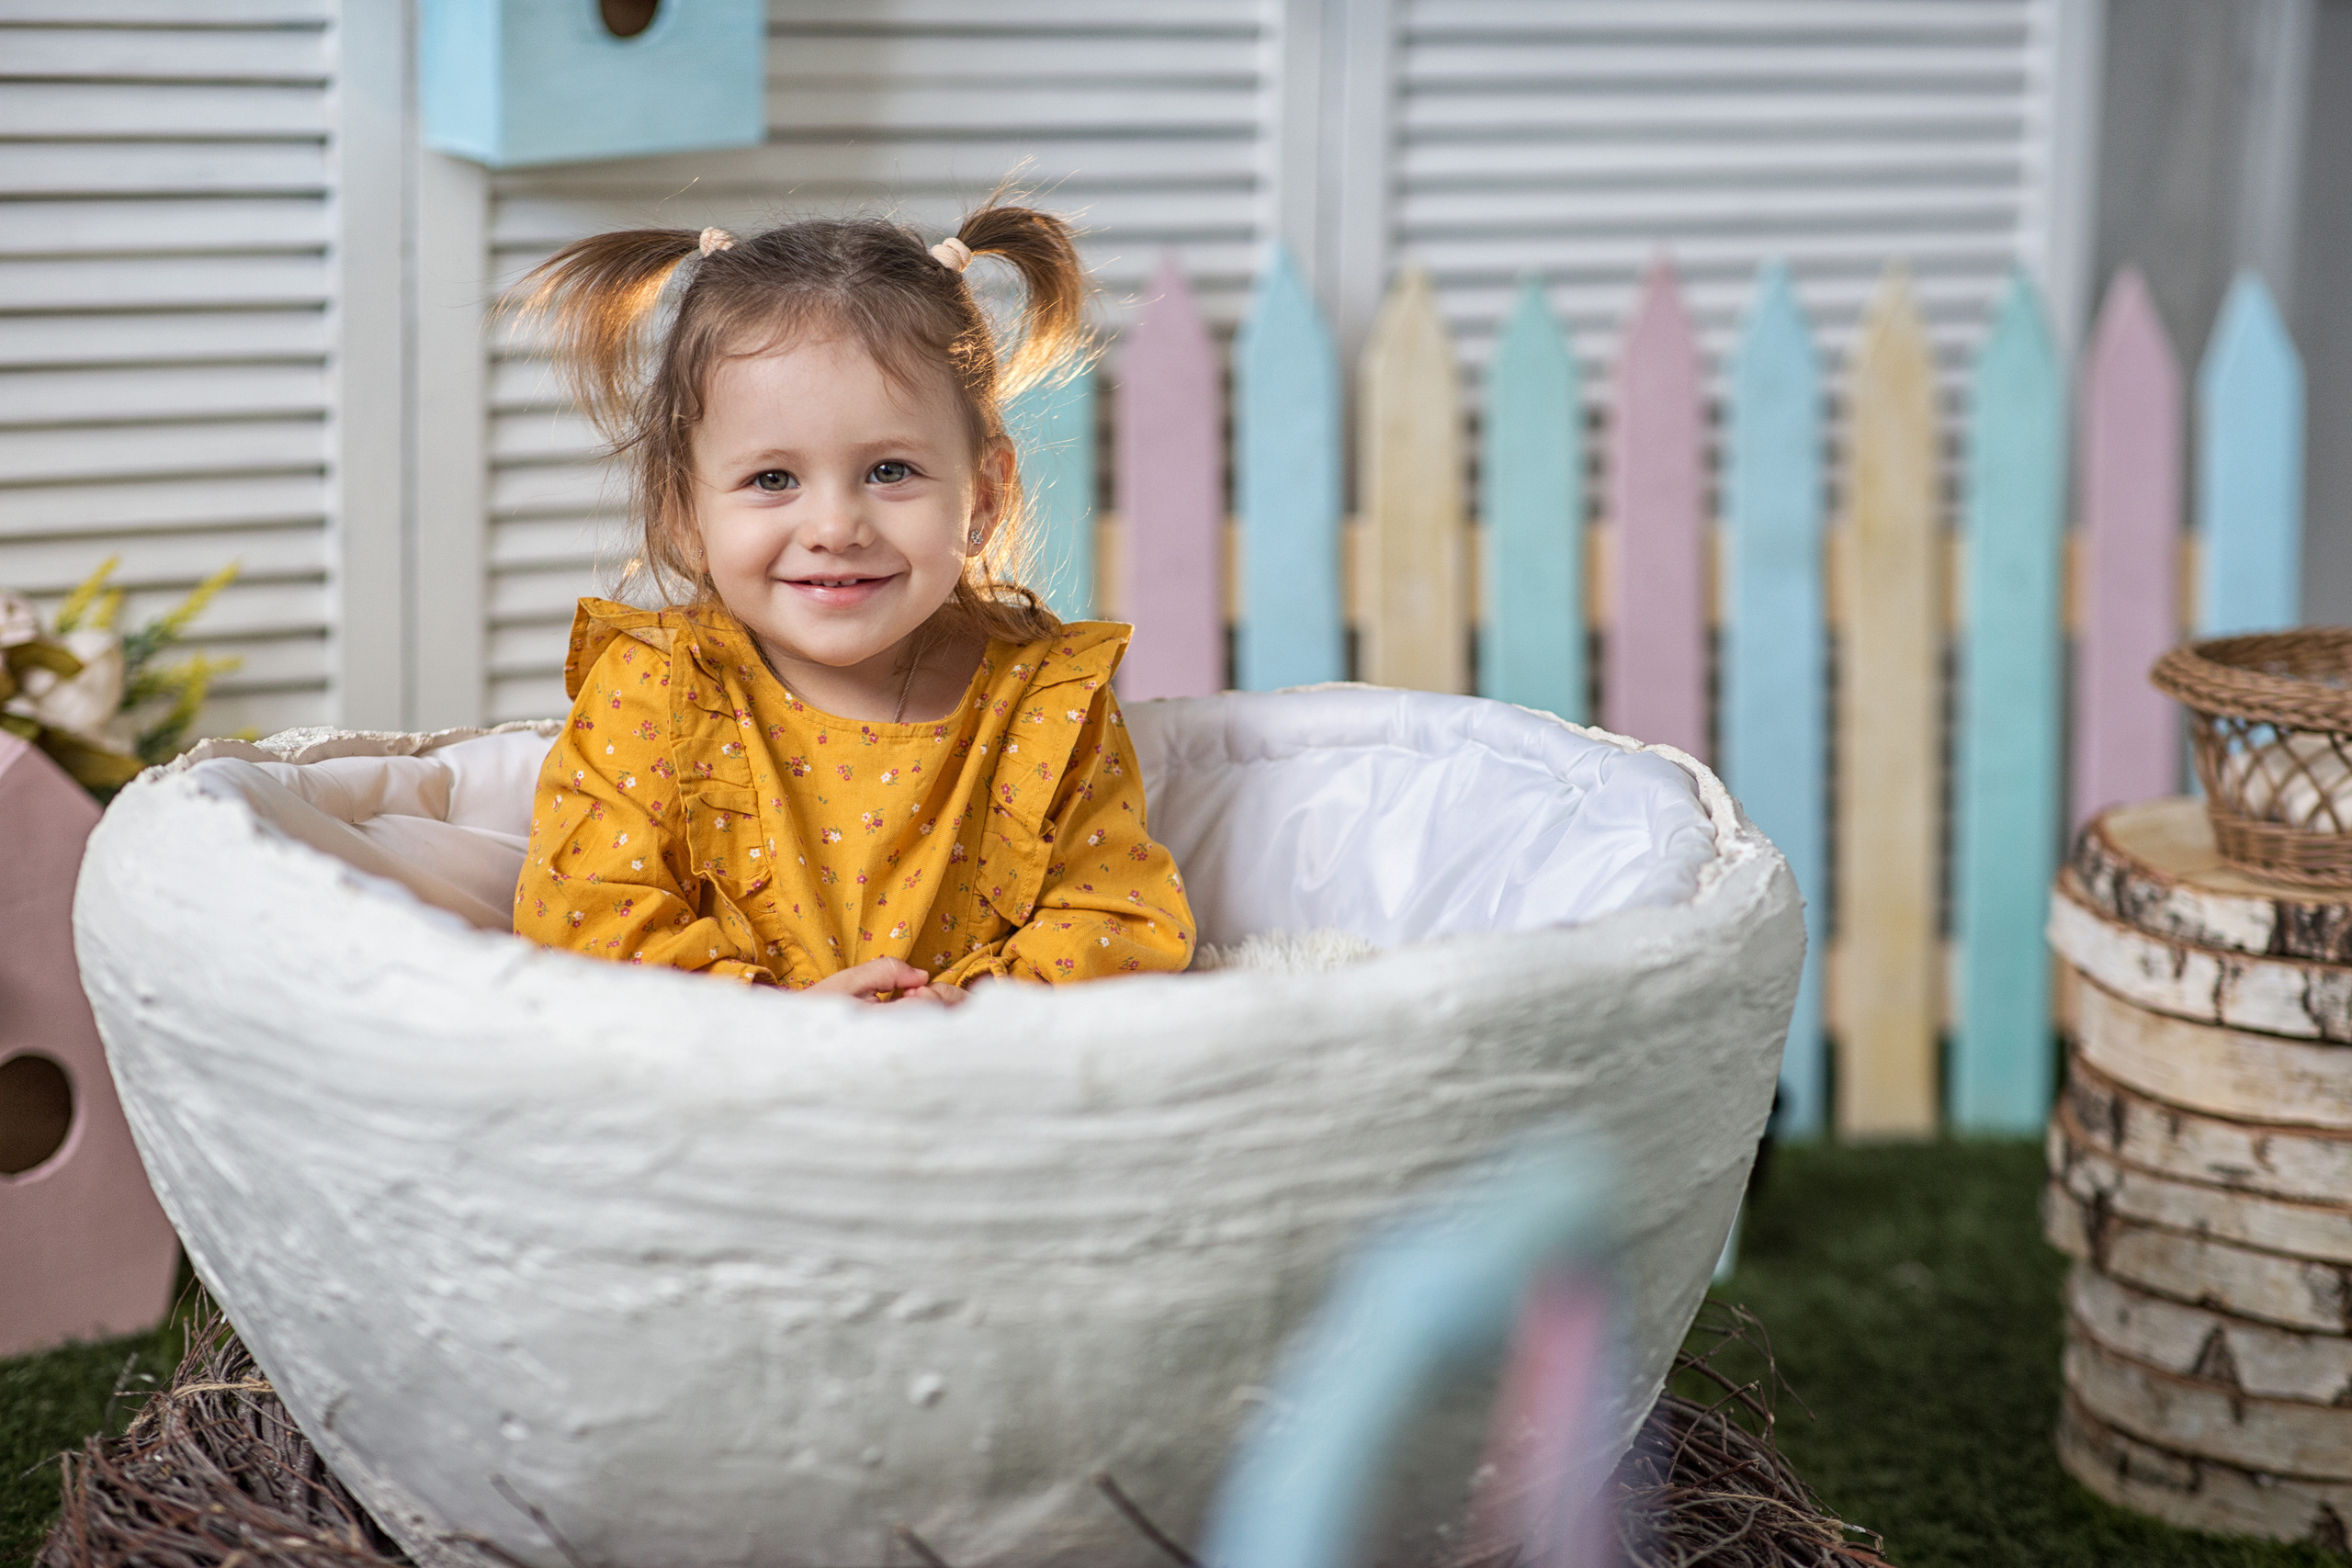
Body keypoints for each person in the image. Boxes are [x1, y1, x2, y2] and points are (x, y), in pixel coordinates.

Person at [509, 203, 1195, 1005]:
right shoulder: (655, 692)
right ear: (683, 512)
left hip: (983, 1089)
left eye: (890, 470)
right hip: (733, 1094)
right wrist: (782, 1022)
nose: (834, 527)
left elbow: (1117, 917)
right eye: (773, 479)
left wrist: (969, 1007)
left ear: (983, 495)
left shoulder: (1044, 702)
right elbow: (583, 929)